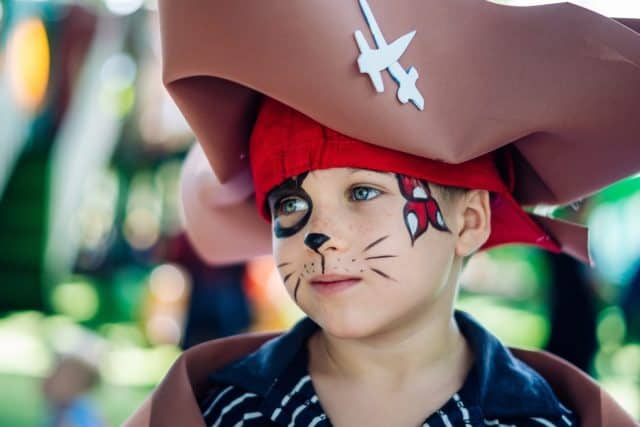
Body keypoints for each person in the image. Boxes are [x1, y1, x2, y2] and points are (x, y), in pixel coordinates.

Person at [125, 1, 640, 426]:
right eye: (292, 203)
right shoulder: (220, 411)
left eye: (364, 193)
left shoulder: (540, 421)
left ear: (469, 221)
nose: (320, 234)